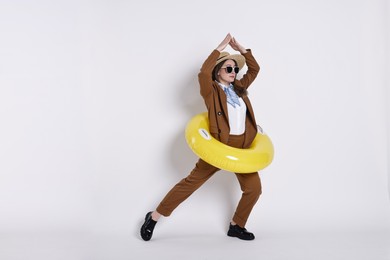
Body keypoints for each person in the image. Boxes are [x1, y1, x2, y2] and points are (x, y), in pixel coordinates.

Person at [140, 33, 262, 241]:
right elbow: (203, 73)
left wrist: (242, 49)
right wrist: (220, 48)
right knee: (191, 183)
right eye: (228, 68)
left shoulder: (239, 89)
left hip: (242, 148)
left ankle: (236, 225)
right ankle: (154, 216)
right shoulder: (212, 91)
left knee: (254, 189)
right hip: (219, 146)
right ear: (218, 71)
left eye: (235, 69)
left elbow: (255, 69)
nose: (233, 72)